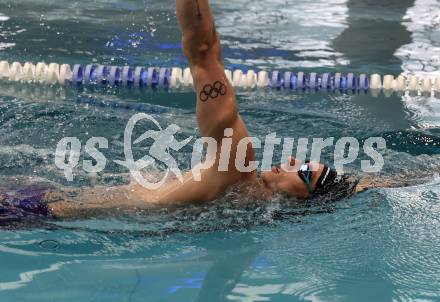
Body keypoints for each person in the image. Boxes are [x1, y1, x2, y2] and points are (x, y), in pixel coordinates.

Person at [0, 0, 435, 220]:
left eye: (303, 171)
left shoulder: (238, 171)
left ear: (304, 200)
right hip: (47, 205)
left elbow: (204, 52)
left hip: (28, 209)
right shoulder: (253, 209)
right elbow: (370, 184)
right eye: (304, 160)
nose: (291, 160)